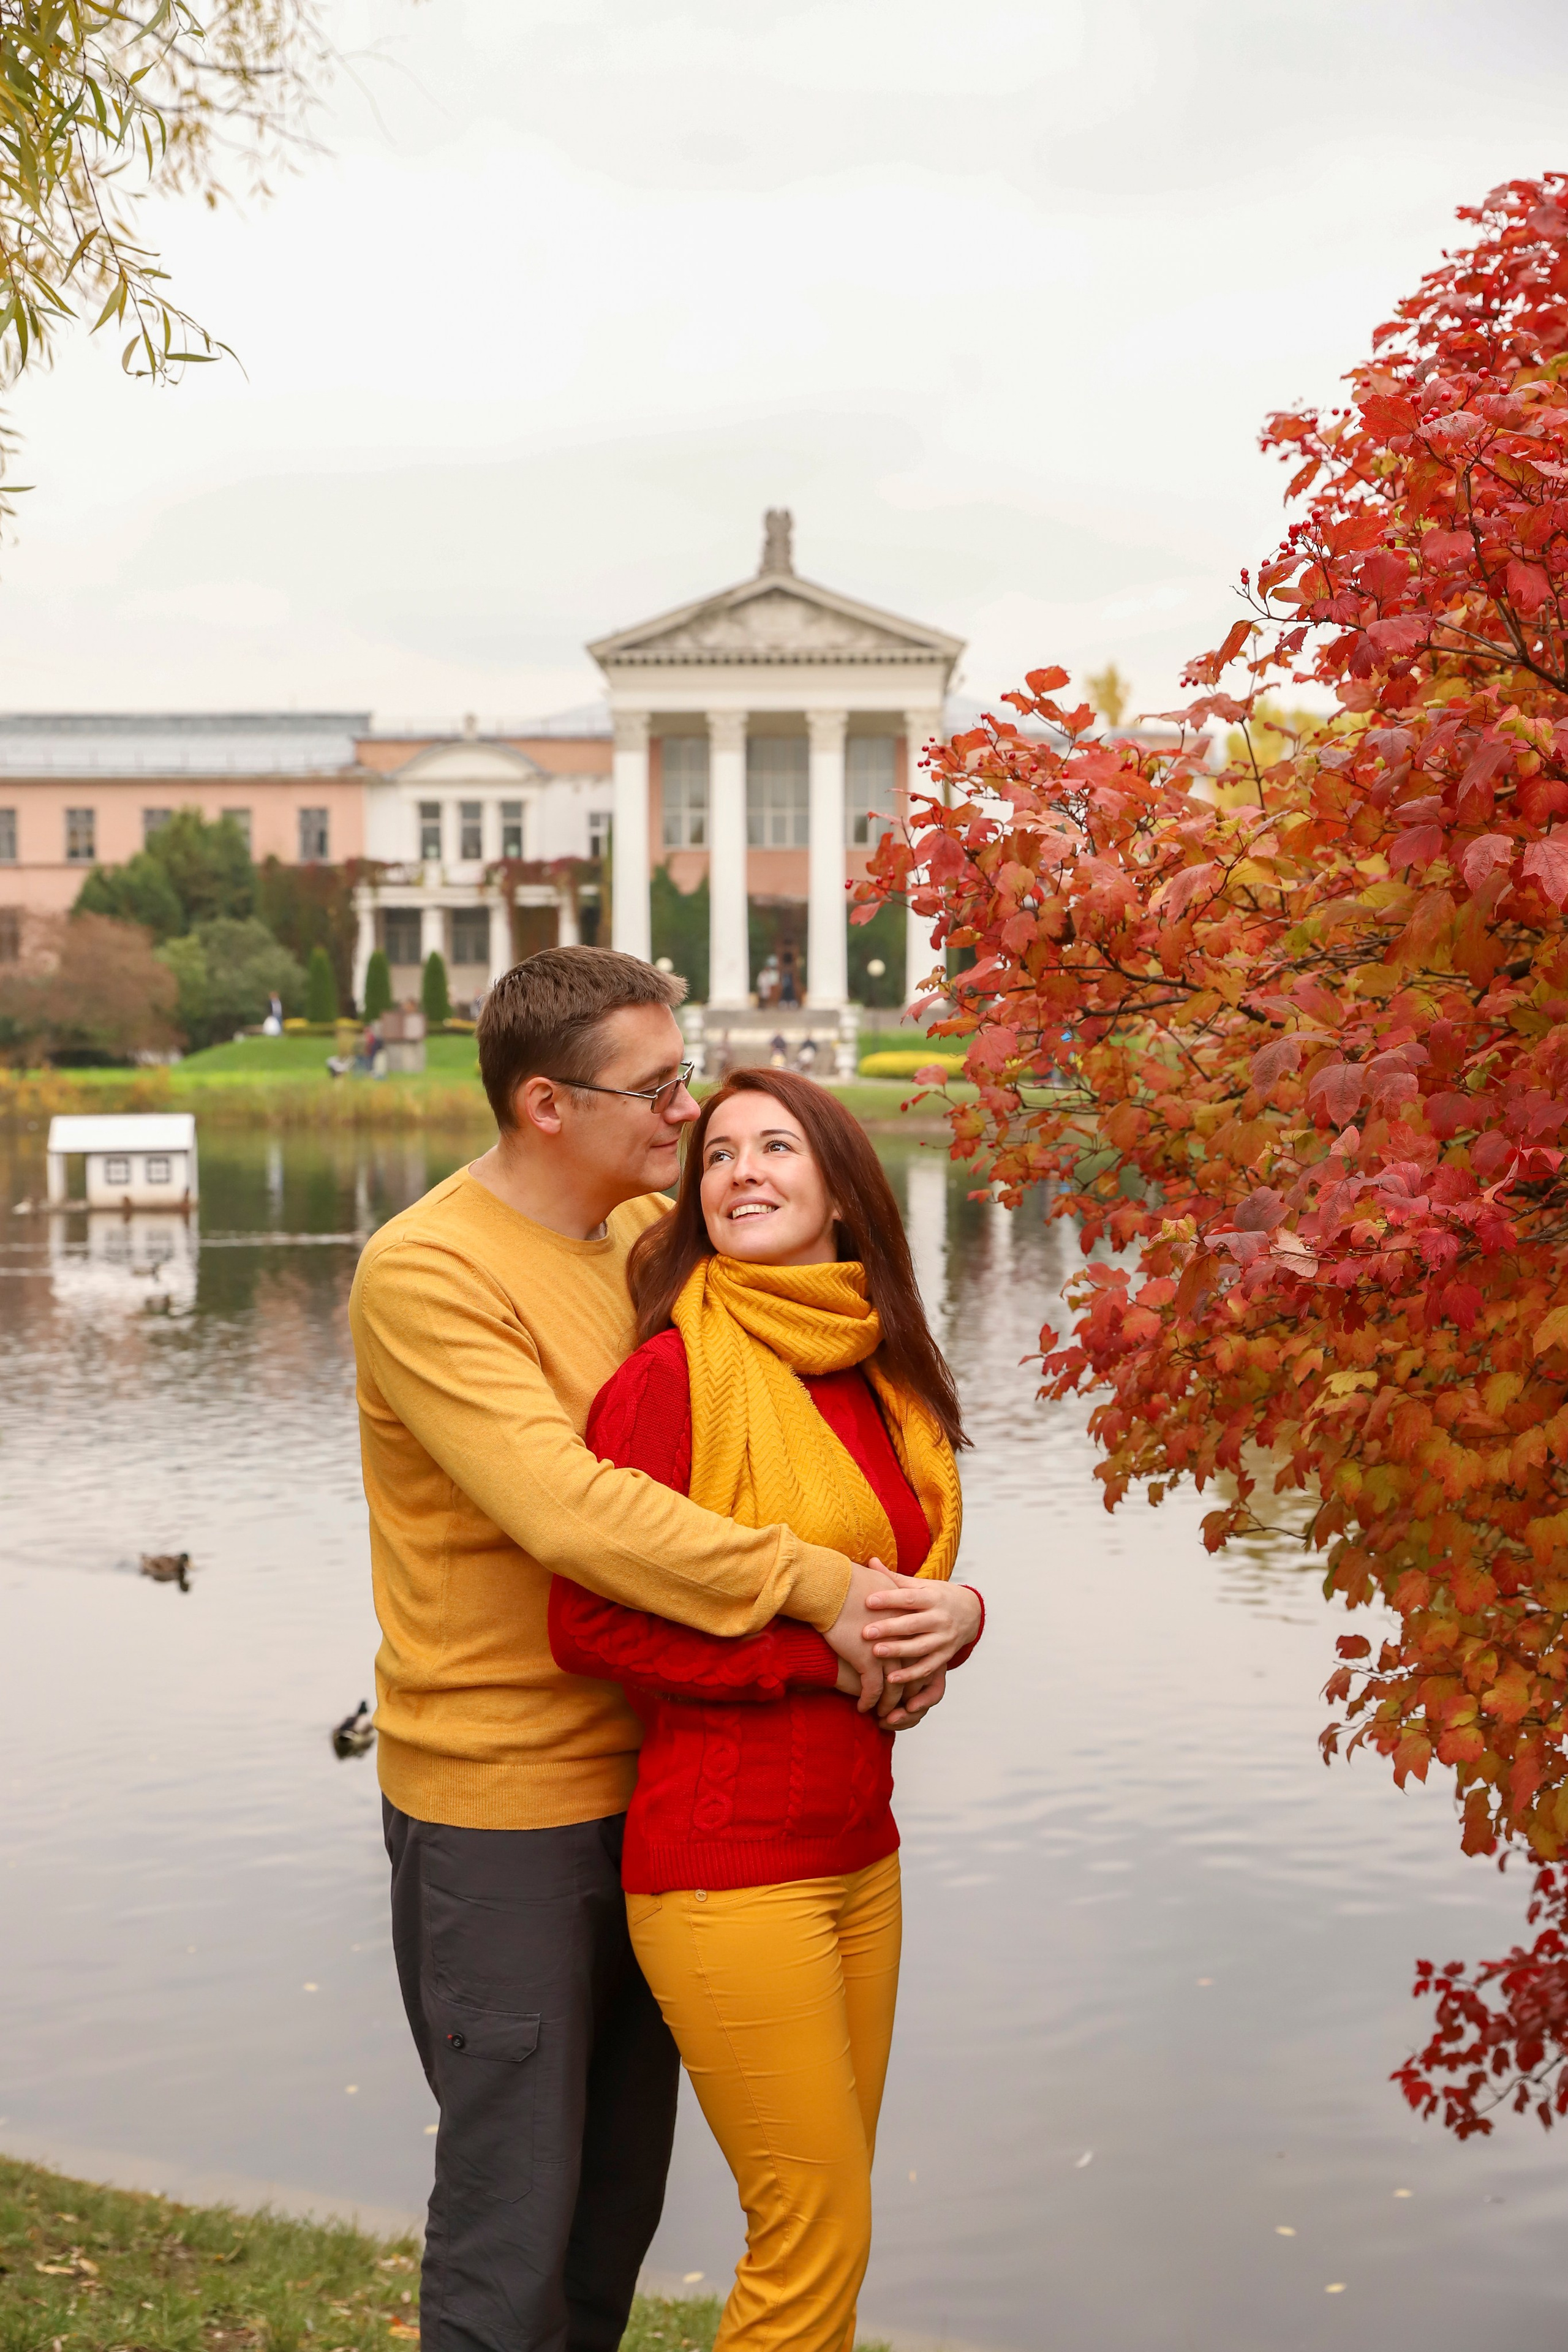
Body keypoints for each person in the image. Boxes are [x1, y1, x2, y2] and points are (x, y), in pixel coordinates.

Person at [347, 949, 976, 2352]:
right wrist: (830, 1599)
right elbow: (572, 1513)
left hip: (668, 1774)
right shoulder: (428, 1270)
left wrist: (942, 1610)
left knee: (612, 2214)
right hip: (499, 1801)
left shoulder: (649, 1250)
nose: (687, 1117)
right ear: (544, 1106)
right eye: (657, 1088)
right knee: (515, 2216)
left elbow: (816, 1424)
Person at [549, 1069, 983, 2352]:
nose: (738, 1169)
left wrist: (963, 1620)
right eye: (718, 1152)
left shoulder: (882, 1376)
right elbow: (586, 1625)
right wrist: (820, 1654)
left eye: (775, 1146)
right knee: (809, 2232)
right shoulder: (671, 1380)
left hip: (862, 1854)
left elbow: (901, 1591)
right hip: (724, 1869)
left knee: (832, 2227)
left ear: (842, 1189)